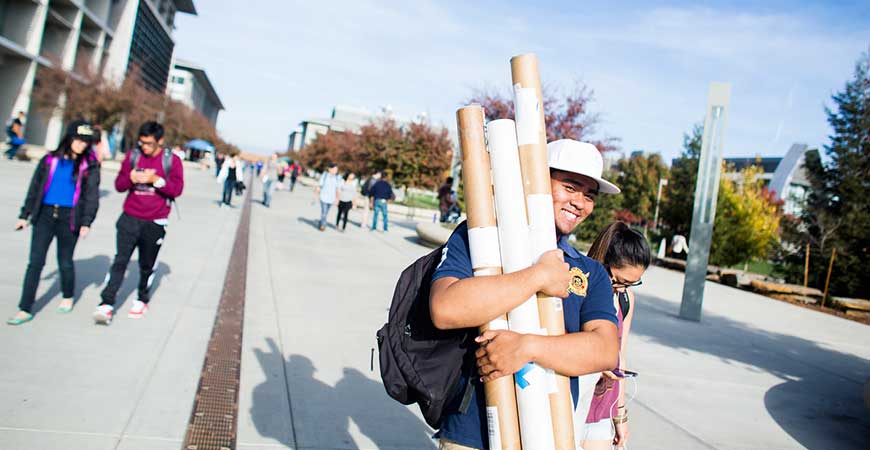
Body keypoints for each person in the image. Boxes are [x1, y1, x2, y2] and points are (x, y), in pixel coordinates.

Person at [429, 139, 622, 450]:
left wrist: (527, 347)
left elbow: (604, 350)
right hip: (471, 434)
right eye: (570, 187)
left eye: (590, 196)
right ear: (535, 179)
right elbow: (445, 308)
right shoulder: (483, 237)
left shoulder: (590, 272)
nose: (581, 203)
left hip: (551, 436)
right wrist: (538, 276)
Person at [7, 121, 100, 325]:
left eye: (86, 141)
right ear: (69, 137)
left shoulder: (89, 166)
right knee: (35, 262)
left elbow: (92, 196)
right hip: (44, 216)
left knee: (64, 261)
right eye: (78, 140)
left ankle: (68, 295)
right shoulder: (50, 159)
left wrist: (87, 222)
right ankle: (25, 308)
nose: (81, 145)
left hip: (70, 218)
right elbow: (35, 188)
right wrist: (25, 215)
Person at [93, 121, 184, 325]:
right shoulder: (133, 156)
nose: (144, 147)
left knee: (146, 265)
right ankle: (106, 302)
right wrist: (131, 178)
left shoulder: (172, 160)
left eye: (149, 143)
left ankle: (142, 298)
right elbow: (119, 185)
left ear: (160, 141)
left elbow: (176, 189)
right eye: (142, 142)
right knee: (120, 261)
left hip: (155, 222)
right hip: (129, 218)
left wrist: (156, 180)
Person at [580, 221, 650, 450]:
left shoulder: (625, 299)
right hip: (573, 402)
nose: (622, 288)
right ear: (604, 262)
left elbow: (620, 354)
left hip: (602, 407)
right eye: (619, 281)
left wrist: (620, 416)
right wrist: (595, 364)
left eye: (631, 283)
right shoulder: (578, 288)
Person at [315, 163, 341, 231]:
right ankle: (323, 225)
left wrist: (337, 199)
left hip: (331, 198)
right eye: (334, 169)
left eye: (336, 169)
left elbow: (338, 189)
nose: (336, 171)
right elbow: (319, 185)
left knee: (326, 212)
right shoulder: (325, 175)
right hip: (323, 197)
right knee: (324, 212)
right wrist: (316, 195)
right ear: (330, 169)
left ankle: (321, 222)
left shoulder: (337, 177)